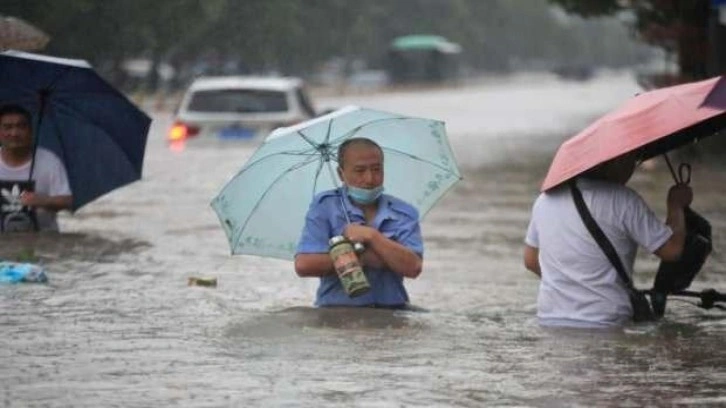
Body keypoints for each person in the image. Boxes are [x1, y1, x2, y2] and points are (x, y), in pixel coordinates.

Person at [523, 151, 693, 328]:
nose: (631, 169)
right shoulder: (624, 200)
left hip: (550, 320)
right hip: (606, 322)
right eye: (631, 161)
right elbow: (671, 250)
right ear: (616, 162)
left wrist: (572, 282)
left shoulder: (544, 200)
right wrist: (676, 206)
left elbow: (530, 260)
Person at [295, 137, 423, 308]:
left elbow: (413, 267)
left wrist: (372, 236)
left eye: (377, 169)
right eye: (360, 171)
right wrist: (361, 256)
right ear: (341, 173)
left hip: (392, 313)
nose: (370, 179)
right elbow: (304, 265)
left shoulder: (403, 212)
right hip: (337, 312)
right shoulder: (325, 206)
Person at [0, 104, 72, 232]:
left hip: (44, 241)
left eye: (21, 126)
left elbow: (67, 200)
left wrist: (43, 200)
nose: (14, 133)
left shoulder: (49, 161)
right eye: (7, 127)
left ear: (31, 131)